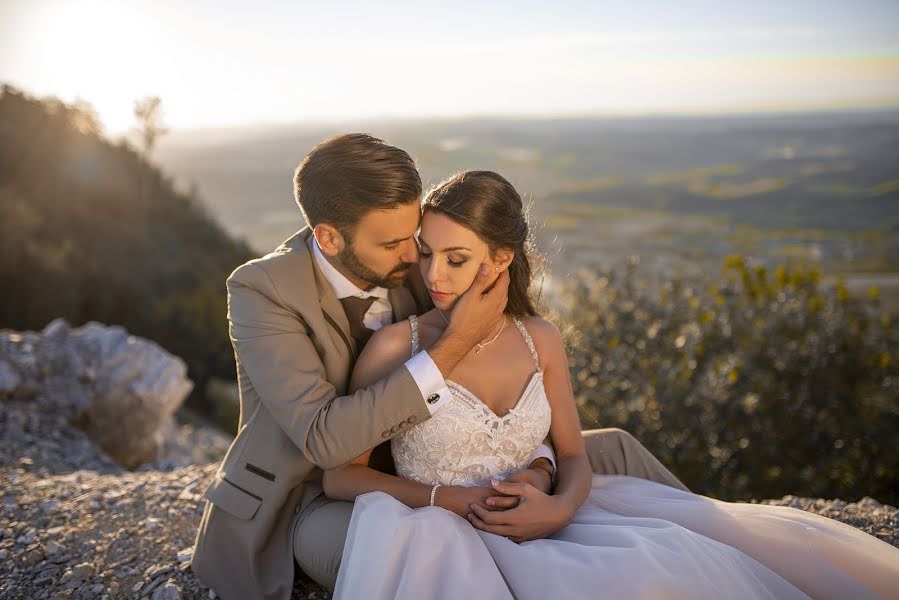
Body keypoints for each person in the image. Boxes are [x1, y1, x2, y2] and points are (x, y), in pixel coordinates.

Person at [324, 170, 899, 600]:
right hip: (441, 535)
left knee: (669, 567)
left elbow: (574, 455)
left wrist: (559, 509)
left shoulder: (538, 339)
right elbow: (341, 474)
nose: (434, 276)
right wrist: (448, 500)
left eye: (456, 258)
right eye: (427, 255)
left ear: (500, 259)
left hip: (554, 514)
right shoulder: (398, 346)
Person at [190, 135, 687, 600]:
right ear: (330, 238)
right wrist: (454, 346)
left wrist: (540, 469)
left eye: (418, 239)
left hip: (436, 456)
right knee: (440, 562)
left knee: (619, 451)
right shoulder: (263, 292)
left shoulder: (422, 262)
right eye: (396, 245)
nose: (418, 260)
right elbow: (327, 445)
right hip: (315, 492)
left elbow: (501, 389)